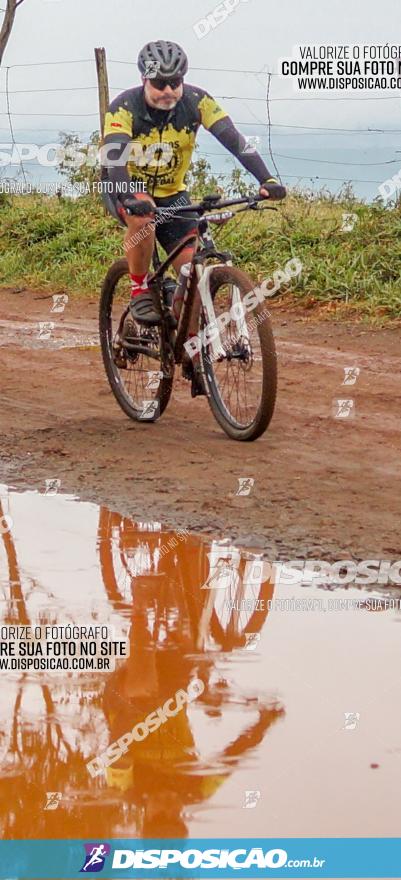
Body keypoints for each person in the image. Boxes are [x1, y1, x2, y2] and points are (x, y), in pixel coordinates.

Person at [101, 39, 286, 326]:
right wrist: (128, 197)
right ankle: (140, 289)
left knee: (190, 273)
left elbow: (234, 140)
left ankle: (188, 344)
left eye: (175, 82)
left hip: (172, 193)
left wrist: (266, 178)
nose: (168, 91)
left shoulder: (197, 101)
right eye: (160, 83)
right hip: (124, 185)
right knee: (144, 216)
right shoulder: (123, 107)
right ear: (144, 79)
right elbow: (114, 159)